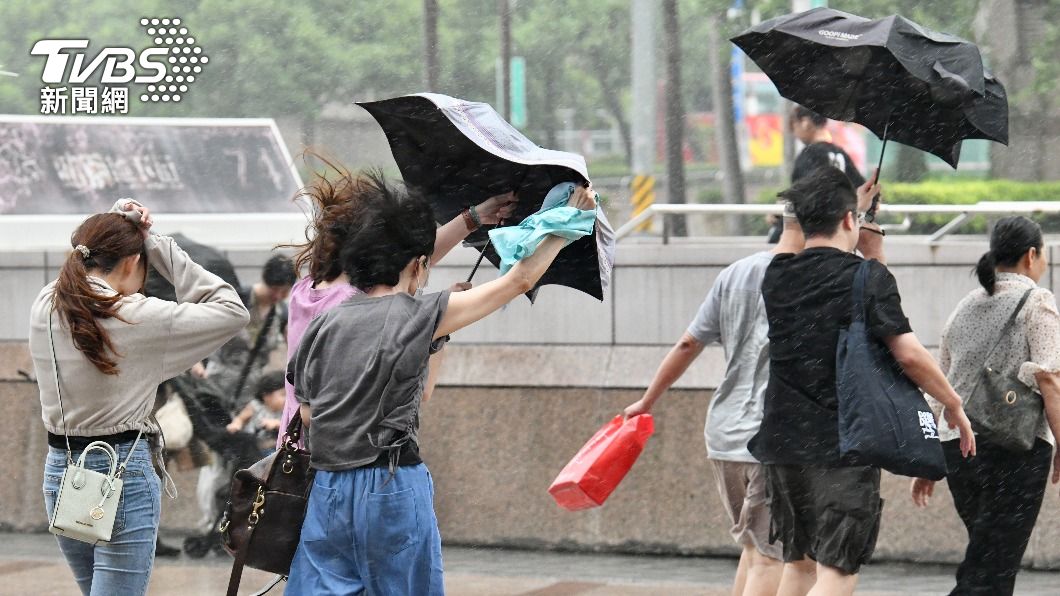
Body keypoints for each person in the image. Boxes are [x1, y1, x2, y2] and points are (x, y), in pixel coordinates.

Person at [284, 171, 597, 595]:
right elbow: (518, 280)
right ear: (416, 264)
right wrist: (564, 226)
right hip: (389, 484)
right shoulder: (418, 314)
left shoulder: (325, 321)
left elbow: (306, 412)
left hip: (327, 487)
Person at [747, 167, 975, 596]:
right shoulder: (866, 277)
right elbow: (907, 353)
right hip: (842, 445)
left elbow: (791, 237)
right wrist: (954, 404)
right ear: (849, 220)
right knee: (839, 569)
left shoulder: (776, 275)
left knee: (799, 565)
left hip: (782, 442)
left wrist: (849, 207)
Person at [29, 199, 249, 595]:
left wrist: (116, 225)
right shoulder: (142, 317)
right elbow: (232, 310)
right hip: (120, 471)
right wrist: (158, 244)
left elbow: (86, 261)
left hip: (62, 470)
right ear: (132, 261)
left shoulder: (46, 304)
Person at [623, 200, 806, 596]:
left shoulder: (736, 273)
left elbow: (689, 342)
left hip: (724, 434)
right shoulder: (810, 277)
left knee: (753, 548)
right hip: (769, 437)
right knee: (770, 556)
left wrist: (647, 401)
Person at [276, 158, 517, 448]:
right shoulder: (354, 304)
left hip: (295, 457)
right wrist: (438, 320)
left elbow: (406, 266)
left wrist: (472, 218)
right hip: (341, 459)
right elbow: (422, 392)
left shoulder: (306, 289)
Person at [911, 216, 1060, 596]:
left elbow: (938, 383)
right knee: (992, 567)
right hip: (1015, 449)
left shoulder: (964, 306)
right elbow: (1050, 380)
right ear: (1031, 256)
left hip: (958, 450)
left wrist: (926, 455)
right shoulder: (1038, 301)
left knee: (989, 558)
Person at [768, 106, 866, 243]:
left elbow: (801, 192)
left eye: (794, 126)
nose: (795, 133)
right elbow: (861, 187)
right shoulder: (840, 153)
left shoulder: (810, 154)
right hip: (839, 228)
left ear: (805, 122)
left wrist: (778, 211)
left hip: (813, 231)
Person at [227, 369, 287, 456]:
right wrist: (236, 425)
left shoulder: (285, 412)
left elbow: (290, 428)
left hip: (273, 449)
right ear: (266, 396)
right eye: (283, 395)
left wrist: (277, 424)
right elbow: (240, 418)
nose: (287, 399)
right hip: (252, 448)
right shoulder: (255, 406)